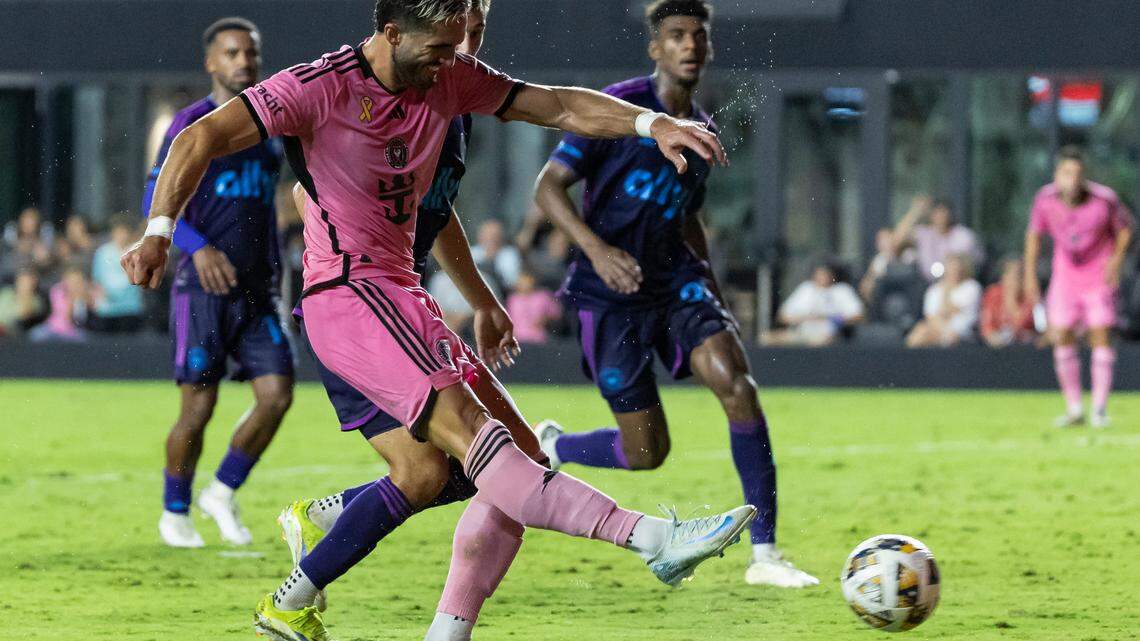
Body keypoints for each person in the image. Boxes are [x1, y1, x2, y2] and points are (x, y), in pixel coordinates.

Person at [120, 2, 749, 640]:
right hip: (351, 295)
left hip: (403, 295)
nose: (457, 61)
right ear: (392, 33)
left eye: (464, 41)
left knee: (507, 459)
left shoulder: (446, 78)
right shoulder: (318, 87)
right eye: (442, 47)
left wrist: (651, 123)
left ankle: (415, 623)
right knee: (480, 448)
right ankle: (655, 539)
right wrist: (159, 233)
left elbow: (557, 106)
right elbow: (198, 138)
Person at [532, 0, 816, 588]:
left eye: (699, 35)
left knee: (738, 386)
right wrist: (597, 251)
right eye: (677, 35)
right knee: (646, 452)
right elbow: (548, 187)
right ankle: (557, 446)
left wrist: (711, 286)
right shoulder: (616, 108)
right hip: (608, 293)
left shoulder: (703, 132)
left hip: (674, 283)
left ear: (709, 47)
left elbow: (687, 217)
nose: (690, 44)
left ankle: (765, 556)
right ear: (655, 48)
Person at [141, 17, 294, 548]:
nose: (243, 62)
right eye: (232, 53)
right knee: (199, 408)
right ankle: (174, 512)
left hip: (259, 290)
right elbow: (152, 198)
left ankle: (222, 492)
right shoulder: (191, 123)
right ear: (211, 62)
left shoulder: (272, 124)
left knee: (277, 395)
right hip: (201, 290)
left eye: (250, 53)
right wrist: (198, 247)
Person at [1024, 146, 1134, 428]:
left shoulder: (1104, 199)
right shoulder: (1045, 199)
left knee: (1100, 335)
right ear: (1056, 175)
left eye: (1077, 173)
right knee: (1062, 335)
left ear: (1085, 176)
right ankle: (1074, 408)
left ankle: (1099, 409)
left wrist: (1116, 261)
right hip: (1065, 277)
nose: (1072, 179)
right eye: (1066, 172)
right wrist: (1030, 275)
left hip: (1098, 276)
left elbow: (1125, 229)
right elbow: (1034, 236)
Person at [762, 262, 864, 347]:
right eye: (819, 274)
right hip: (802, 333)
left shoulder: (842, 290)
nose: (822, 277)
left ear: (832, 275)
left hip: (830, 336)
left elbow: (858, 316)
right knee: (765, 338)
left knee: (818, 342)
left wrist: (829, 318)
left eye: (825, 274)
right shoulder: (806, 289)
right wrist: (806, 318)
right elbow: (782, 316)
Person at [892, 195, 985, 282]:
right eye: (937, 213)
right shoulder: (925, 234)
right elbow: (897, 239)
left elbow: (962, 266)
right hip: (928, 284)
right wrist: (916, 211)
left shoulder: (963, 235)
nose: (941, 216)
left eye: (944, 212)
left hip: (959, 283)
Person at [905, 253, 982, 347]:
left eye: (957, 268)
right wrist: (943, 328)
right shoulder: (934, 289)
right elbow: (930, 316)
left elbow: (955, 311)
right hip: (938, 328)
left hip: (962, 330)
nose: (954, 271)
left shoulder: (971, 287)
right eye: (951, 268)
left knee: (928, 335)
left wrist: (946, 293)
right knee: (919, 333)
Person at [89, 214, 145, 333]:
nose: (121, 235)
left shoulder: (137, 252)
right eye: (118, 231)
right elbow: (97, 279)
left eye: (123, 231)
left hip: (130, 308)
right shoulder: (102, 252)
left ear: (129, 233)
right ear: (112, 232)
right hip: (107, 310)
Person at [980, 257, 1035, 348]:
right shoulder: (993, 293)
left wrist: (1012, 301)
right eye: (1011, 276)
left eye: (1019, 276)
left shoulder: (1030, 295)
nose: (1015, 280)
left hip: (1025, 348)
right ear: (1003, 277)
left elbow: (1029, 326)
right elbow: (987, 327)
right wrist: (996, 339)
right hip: (996, 347)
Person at [29, 266, 91, 342]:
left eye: (77, 281)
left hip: (73, 332)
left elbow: (78, 320)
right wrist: (73, 297)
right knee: (35, 334)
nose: (73, 284)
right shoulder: (57, 290)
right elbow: (64, 314)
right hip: (52, 328)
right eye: (71, 280)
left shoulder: (83, 297)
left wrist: (82, 299)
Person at [506, 269, 561, 343]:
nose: (525, 285)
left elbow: (556, 313)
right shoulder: (512, 299)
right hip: (518, 339)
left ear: (533, 281)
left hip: (538, 338)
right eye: (522, 282)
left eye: (527, 282)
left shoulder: (543, 296)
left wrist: (545, 318)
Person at [470, 218, 522, 292]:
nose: (491, 239)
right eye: (487, 235)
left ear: (501, 237)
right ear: (480, 236)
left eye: (494, 235)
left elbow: (512, 281)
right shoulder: (473, 252)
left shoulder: (509, 253)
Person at [0, 268, 47, 335]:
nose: (23, 285)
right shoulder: (6, 292)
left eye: (27, 283)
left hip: (11, 332)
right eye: (21, 281)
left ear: (34, 284)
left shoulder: (36, 300)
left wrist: (26, 296)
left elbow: (24, 316)